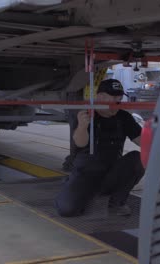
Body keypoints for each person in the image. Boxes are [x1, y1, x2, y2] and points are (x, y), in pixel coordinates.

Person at [55, 79, 145, 217]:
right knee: (67, 210)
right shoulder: (86, 115)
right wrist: (82, 126)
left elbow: (143, 142)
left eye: (119, 99)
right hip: (86, 174)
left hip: (110, 173)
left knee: (137, 158)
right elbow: (79, 143)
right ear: (100, 97)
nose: (117, 103)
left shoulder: (124, 117)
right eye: (113, 98)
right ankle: (74, 187)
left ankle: (116, 203)